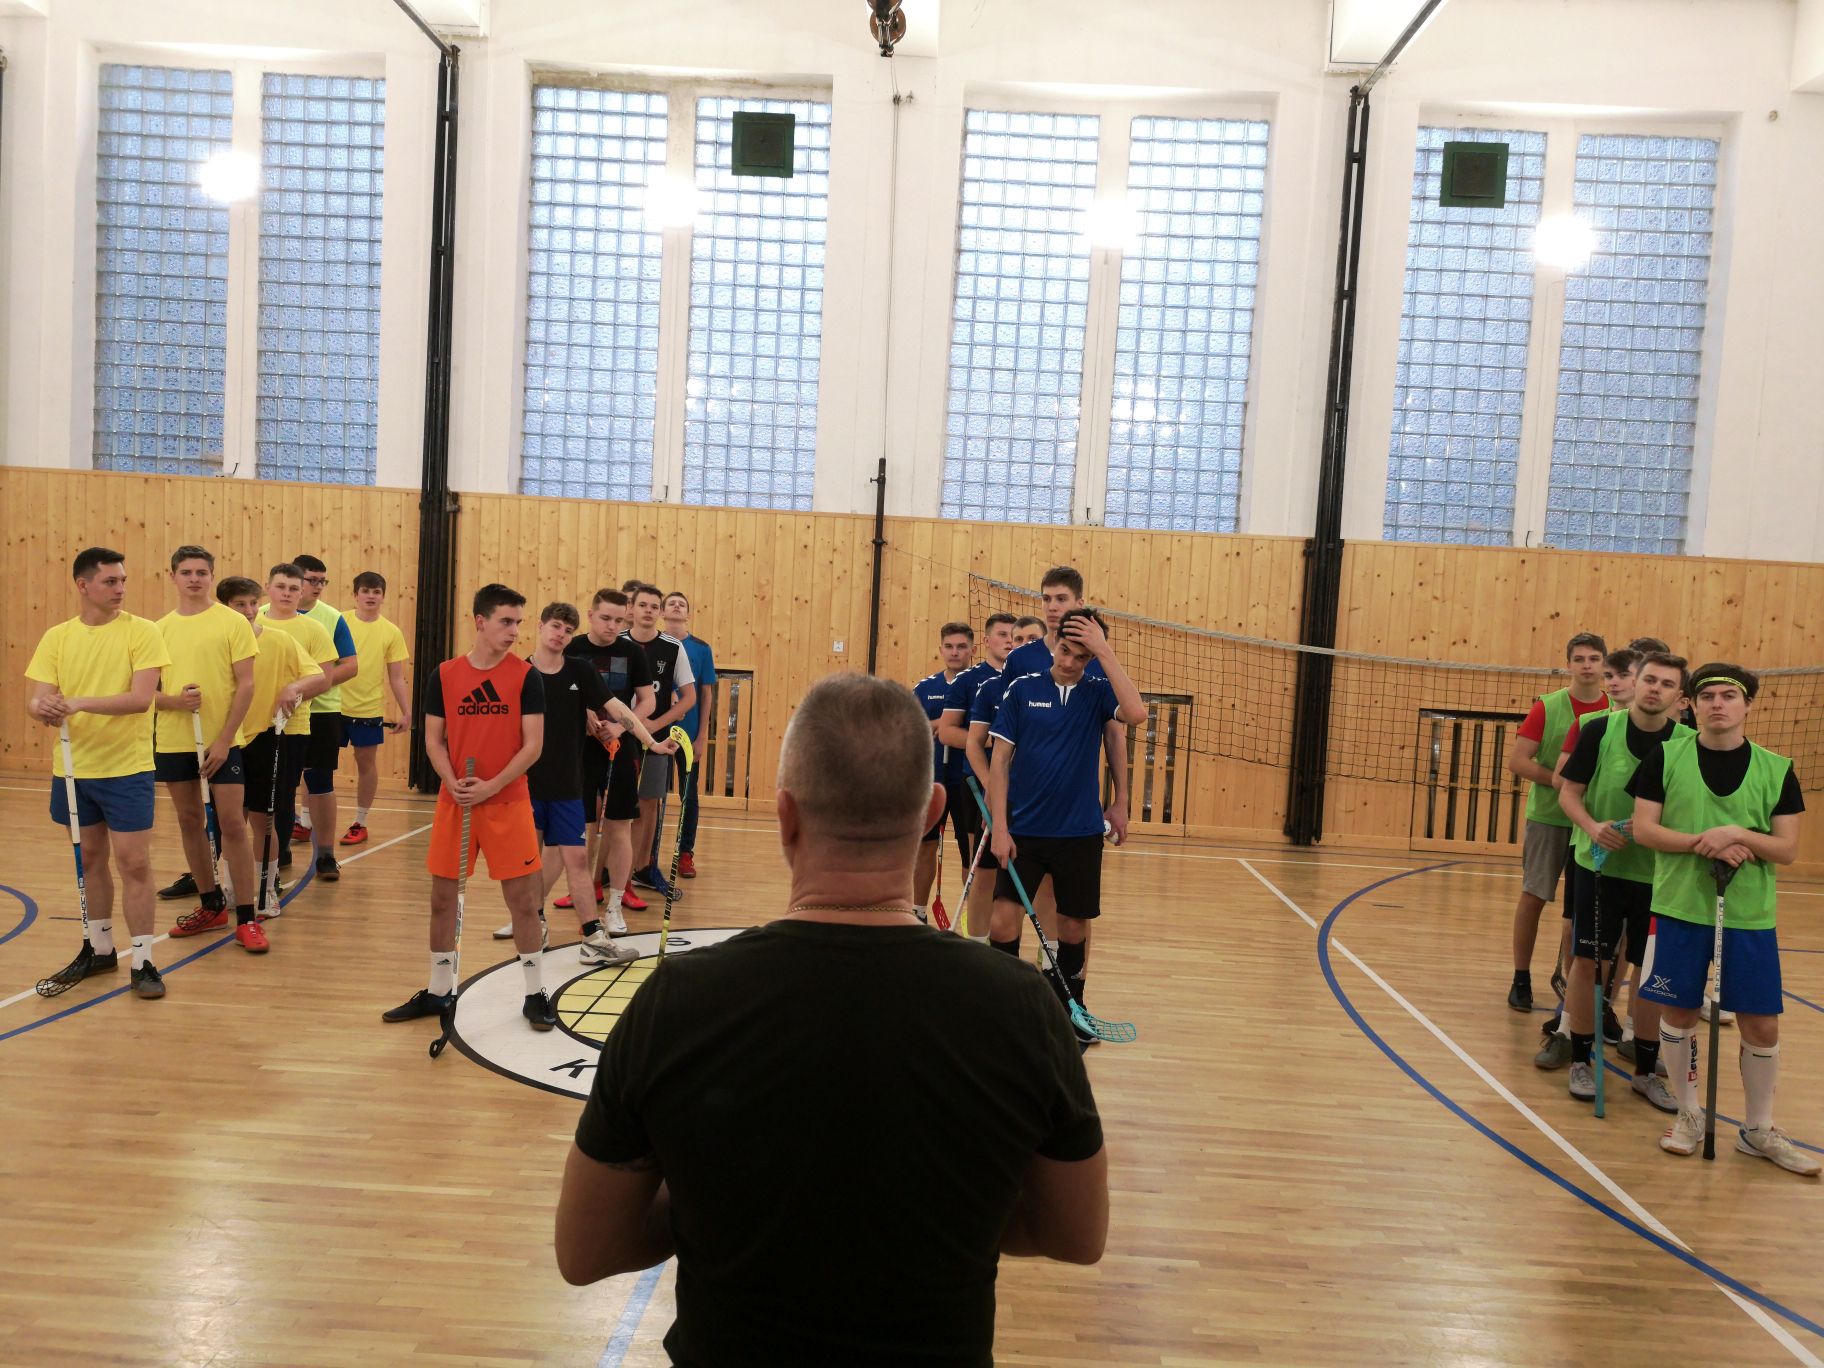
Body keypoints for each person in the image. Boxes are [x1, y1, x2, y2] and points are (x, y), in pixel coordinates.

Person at [555, 673, 1108, 1365]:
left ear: (785, 815)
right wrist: (948, 1210)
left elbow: (585, 1251)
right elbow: (1077, 1235)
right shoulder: (1020, 1006)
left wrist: (714, 1203)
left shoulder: (677, 1001)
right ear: (933, 813)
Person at [1629, 664, 1817, 1176]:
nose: (1718, 704)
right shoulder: (1664, 757)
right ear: (1690, 704)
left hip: (1749, 915)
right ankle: (1689, 1115)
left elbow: (1787, 849)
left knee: (1761, 1022)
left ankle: (1758, 1129)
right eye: (1707, 695)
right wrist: (1702, 842)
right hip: (1680, 907)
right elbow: (1645, 830)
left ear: (1748, 705)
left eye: (1728, 696)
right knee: (1680, 1013)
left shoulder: (1777, 768)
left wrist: (1736, 833)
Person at [384, 584, 556, 1033]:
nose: (514, 631)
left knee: (523, 902)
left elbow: (533, 745)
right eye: (506, 621)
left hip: (508, 803)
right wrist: (451, 781)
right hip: (456, 802)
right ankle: (439, 990)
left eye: (518, 623)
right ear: (480, 621)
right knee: (442, 900)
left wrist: (492, 785)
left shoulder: (527, 676)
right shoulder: (444, 675)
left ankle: (535, 993)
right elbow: (433, 740)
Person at [988, 609, 1147, 1046]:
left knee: (1073, 927)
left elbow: (1136, 714)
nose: (1070, 661)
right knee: (1002, 922)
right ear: (1054, 643)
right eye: (1065, 650)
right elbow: (999, 762)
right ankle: (1004, 1011)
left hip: (1079, 833)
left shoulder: (1098, 692)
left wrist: (1104, 651)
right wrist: (1000, 826)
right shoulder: (1023, 688)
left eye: (1081, 656)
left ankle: (1070, 1010)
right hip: (1025, 831)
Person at [26, 548, 172, 998]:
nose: (120, 588)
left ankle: (143, 961)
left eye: (122, 580)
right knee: (89, 859)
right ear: (83, 585)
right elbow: (37, 698)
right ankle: (101, 949)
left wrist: (78, 702)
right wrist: (44, 707)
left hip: (127, 768)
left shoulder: (143, 632)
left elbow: (141, 699)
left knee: (134, 862)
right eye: (110, 581)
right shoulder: (57, 637)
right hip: (74, 769)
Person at [1553, 652, 1689, 1110]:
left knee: (1650, 973)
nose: (1655, 689)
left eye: (1666, 684)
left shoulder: (1688, 744)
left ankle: (1645, 1071)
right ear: (1637, 681)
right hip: (1599, 868)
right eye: (1650, 679)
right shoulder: (1599, 730)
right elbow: (1569, 794)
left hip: (1660, 875)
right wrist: (1593, 827)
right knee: (1588, 962)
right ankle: (1579, 1058)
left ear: (1679, 697)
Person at [510, 602, 673, 963]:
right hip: (527, 786)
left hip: (569, 785)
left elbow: (620, 710)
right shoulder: (520, 673)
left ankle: (592, 938)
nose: (561, 635)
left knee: (578, 860)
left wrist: (652, 742)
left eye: (568, 631)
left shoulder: (580, 670)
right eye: (556, 626)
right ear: (540, 626)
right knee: (529, 862)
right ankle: (535, 922)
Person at [152, 546, 258, 946]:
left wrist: (224, 740)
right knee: (189, 821)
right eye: (186, 572)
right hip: (175, 740)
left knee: (232, 823)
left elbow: (246, 684)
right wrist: (175, 702)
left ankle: (247, 917)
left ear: (211, 576)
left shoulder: (233, 623)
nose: (194, 578)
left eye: (201, 572)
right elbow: (145, 694)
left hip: (222, 742)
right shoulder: (158, 630)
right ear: (173, 577)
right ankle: (211, 906)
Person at [218, 575, 328, 944]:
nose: (249, 611)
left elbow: (317, 676)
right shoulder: (218, 642)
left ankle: (267, 889)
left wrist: (294, 687)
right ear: (225, 609)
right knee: (230, 821)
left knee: (264, 820)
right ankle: (231, 888)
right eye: (240, 605)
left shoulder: (280, 640)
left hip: (266, 736)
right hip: (226, 738)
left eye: (253, 603)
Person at [1504, 631, 1608, 1013]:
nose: (1586, 666)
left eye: (1593, 659)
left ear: (1604, 664)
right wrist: (1561, 782)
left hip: (1592, 821)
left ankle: (1574, 986)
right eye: (1579, 659)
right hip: (1549, 818)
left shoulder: (1614, 709)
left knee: (1582, 909)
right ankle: (1521, 978)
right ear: (1568, 665)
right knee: (1534, 896)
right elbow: (1518, 761)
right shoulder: (1547, 707)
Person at [262, 553, 356, 882]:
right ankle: (278, 852)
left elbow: (349, 666)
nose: (315, 586)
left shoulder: (329, 619)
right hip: (266, 716)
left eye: (320, 581)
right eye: (310, 580)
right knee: (275, 789)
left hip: (321, 711)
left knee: (319, 781)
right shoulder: (256, 617)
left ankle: (326, 854)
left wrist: (305, 689)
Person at [564, 590, 656, 925]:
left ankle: (615, 905)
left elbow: (647, 702)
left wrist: (620, 726)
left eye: (619, 620)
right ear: (590, 615)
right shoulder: (572, 648)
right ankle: (583, 899)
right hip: (580, 749)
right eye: (605, 618)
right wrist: (582, 715)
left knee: (620, 827)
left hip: (620, 749)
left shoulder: (632, 652)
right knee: (582, 827)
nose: (612, 626)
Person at [251, 566, 341, 902]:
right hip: (248, 725)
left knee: (283, 797)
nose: (287, 593)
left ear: (301, 592)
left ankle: (277, 860)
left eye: (293, 588)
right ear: (268, 587)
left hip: (293, 726)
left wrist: (293, 691)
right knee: (246, 803)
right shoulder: (252, 622)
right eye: (281, 586)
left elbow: (324, 678)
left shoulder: (313, 629)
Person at [939, 612, 1018, 941]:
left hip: (1024, 790)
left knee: (1019, 874)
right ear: (986, 641)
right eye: (1002, 634)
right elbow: (946, 732)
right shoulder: (969, 681)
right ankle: (977, 941)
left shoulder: (1031, 679)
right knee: (980, 870)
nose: (1009, 641)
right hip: (977, 785)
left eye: (1014, 635)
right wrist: (994, 740)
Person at [624, 583, 696, 899]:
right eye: (643, 605)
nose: (649, 611)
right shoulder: (618, 643)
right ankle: (611, 874)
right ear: (632, 608)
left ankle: (642, 867)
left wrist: (655, 724)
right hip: (619, 739)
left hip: (656, 739)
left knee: (649, 804)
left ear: (661, 612)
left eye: (654, 606)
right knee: (615, 809)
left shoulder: (672, 647)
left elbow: (689, 697)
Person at [338, 571, 412, 847]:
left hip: (368, 709)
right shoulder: (339, 622)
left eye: (376, 591)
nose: (371, 596)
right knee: (317, 765)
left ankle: (360, 822)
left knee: (366, 764)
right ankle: (306, 822)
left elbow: (396, 677)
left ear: (383, 597)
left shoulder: (391, 632)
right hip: (332, 707)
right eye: (366, 591)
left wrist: (406, 711)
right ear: (355, 594)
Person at [912, 621, 975, 923]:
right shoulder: (925, 689)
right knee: (924, 848)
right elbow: (909, 729)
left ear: (972, 649)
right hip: (932, 782)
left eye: (961, 646)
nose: (955, 652)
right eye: (949, 646)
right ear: (941, 649)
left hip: (967, 782)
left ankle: (973, 918)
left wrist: (943, 726)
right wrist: (938, 724)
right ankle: (918, 913)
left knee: (970, 853)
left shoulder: (981, 686)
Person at [661, 590, 717, 878]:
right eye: (671, 603)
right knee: (651, 797)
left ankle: (685, 853)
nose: (676, 606)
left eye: (681, 604)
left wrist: (701, 736)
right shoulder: (653, 645)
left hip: (689, 734)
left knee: (689, 796)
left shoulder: (701, 649)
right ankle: (646, 857)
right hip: (656, 734)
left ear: (688, 614)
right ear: (662, 612)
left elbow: (706, 694)